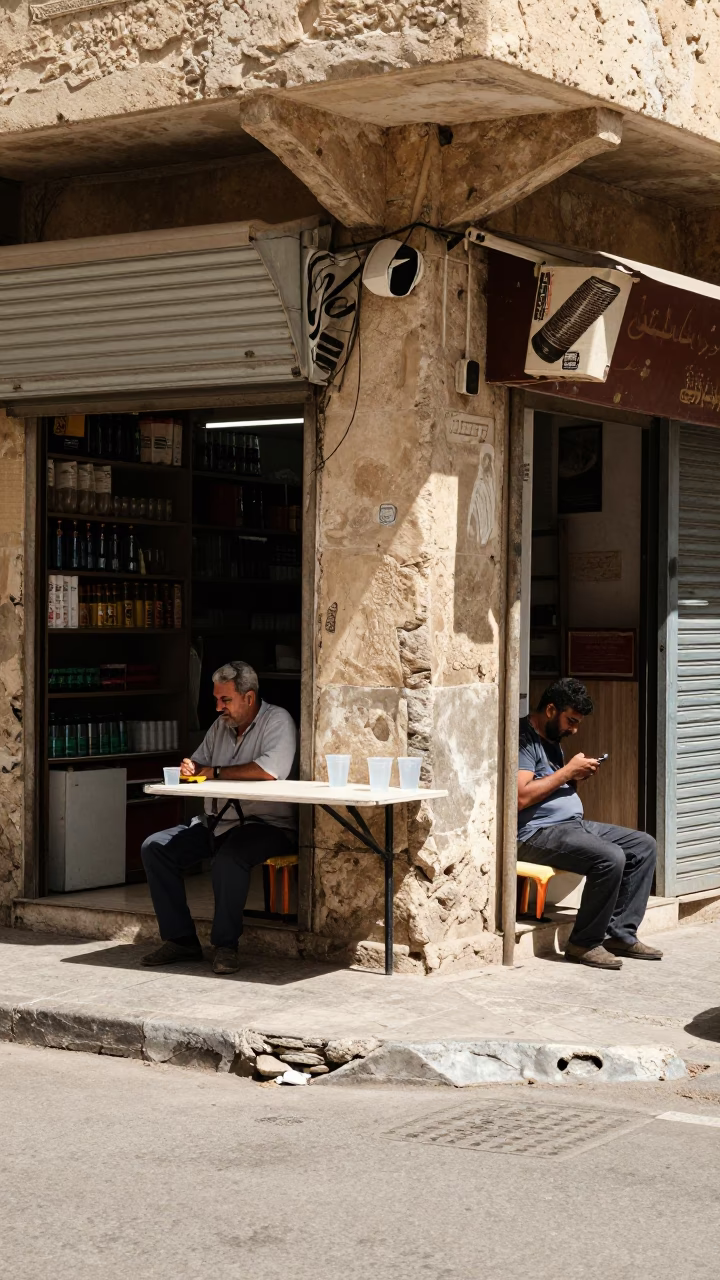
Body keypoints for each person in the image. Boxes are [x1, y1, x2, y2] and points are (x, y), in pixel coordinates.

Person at [141, 661, 297, 975]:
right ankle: (181, 939)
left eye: (225, 700)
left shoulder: (277, 720)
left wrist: (213, 772)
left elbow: (270, 770)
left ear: (249, 698)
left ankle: (226, 945)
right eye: (217, 699)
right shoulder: (221, 726)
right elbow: (199, 763)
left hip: (265, 824)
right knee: (155, 847)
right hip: (218, 821)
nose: (218, 707)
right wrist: (190, 768)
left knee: (229, 859)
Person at [518, 677, 661, 970]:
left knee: (643, 845)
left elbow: (551, 787)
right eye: (571, 720)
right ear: (550, 710)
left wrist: (573, 776)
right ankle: (583, 943)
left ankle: (619, 934)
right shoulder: (524, 738)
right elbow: (520, 797)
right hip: (534, 833)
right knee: (610, 857)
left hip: (570, 825)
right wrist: (567, 771)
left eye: (577, 723)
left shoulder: (552, 739)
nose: (574, 729)